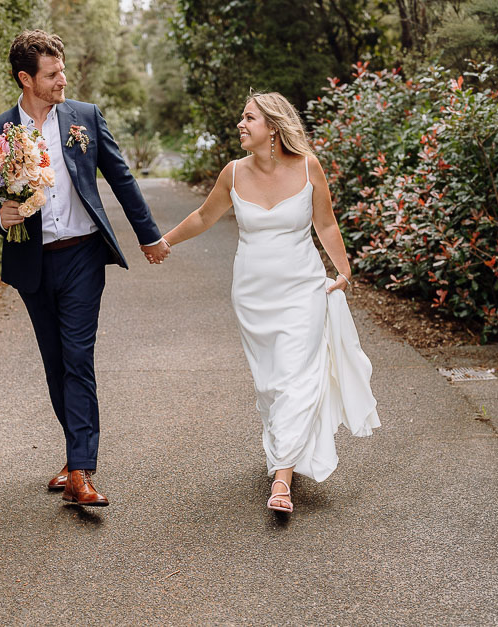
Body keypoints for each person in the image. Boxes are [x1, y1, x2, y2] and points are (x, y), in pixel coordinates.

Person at [0, 30, 170, 507]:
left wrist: (149, 236)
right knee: (56, 363)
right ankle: (73, 451)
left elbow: (121, 176)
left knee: (78, 359)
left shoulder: (84, 118)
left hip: (83, 255)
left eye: (63, 69)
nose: (63, 78)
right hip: (33, 262)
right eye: (52, 73)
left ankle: (82, 470)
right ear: (26, 78)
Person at [161, 91, 380, 513]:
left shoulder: (307, 166)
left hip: (303, 289)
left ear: (273, 127)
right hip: (252, 294)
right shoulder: (233, 172)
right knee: (271, 384)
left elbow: (326, 223)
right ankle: (285, 450)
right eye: (242, 118)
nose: (241, 125)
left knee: (296, 377)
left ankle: (281, 480)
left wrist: (345, 272)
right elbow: (205, 216)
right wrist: (164, 241)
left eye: (249, 118)